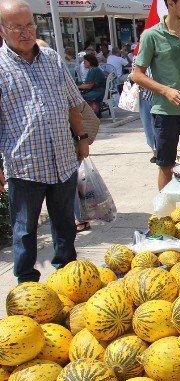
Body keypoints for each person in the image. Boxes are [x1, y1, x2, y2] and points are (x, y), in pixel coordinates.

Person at [0, 0, 90, 283]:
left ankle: (68, 278)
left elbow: (71, 103)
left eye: (29, 25)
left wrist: (81, 138)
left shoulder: (51, 58)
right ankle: (27, 286)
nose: (26, 32)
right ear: (3, 30)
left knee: (65, 224)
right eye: (17, 27)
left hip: (62, 158)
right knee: (25, 229)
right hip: (24, 165)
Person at [132, 0, 180, 191]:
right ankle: (166, 216)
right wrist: (165, 90)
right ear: (171, 4)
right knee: (166, 165)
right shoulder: (151, 35)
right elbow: (137, 74)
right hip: (165, 113)